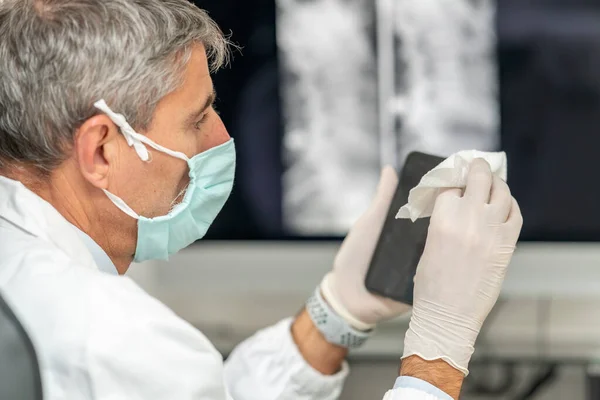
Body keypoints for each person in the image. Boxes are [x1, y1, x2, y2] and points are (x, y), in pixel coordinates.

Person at [0, 1, 523, 399]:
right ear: (101, 150)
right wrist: (439, 350)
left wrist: (336, 311)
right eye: (197, 118)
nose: (220, 140)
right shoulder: (113, 338)